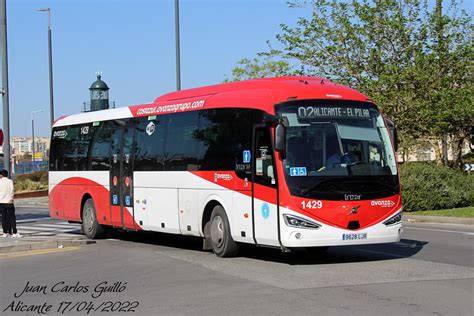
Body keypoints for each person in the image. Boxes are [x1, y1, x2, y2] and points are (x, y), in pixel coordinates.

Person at [0, 169, 21, 238]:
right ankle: (14, 232)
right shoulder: (10, 181)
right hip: (9, 202)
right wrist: (11, 199)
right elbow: (12, 191)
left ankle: (5, 232)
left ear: (1, 175)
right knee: (12, 217)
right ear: (7, 174)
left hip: (1, 202)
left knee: (3, 217)